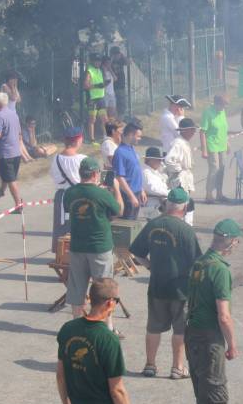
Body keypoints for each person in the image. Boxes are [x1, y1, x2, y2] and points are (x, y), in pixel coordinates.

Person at [185, 218, 242, 404]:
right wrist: (232, 344)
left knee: (203, 399)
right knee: (215, 400)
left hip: (192, 335)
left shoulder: (200, 263)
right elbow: (224, 315)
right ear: (230, 242)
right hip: (209, 340)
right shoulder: (220, 270)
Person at [130, 187, 202, 381]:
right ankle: (177, 368)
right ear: (185, 207)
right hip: (180, 289)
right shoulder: (186, 231)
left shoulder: (153, 224)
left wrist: (151, 266)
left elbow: (136, 252)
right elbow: (197, 263)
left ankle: (150, 365)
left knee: (153, 327)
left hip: (157, 286)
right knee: (180, 330)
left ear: (167, 204)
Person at [63, 157, 124, 334]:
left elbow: (70, 209)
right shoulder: (102, 194)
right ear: (96, 174)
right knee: (105, 289)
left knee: (77, 289)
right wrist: (117, 190)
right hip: (99, 247)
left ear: (81, 174)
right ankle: (107, 327)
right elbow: (119, 210)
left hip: (77, 246)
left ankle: (76, 326)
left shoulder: (70, 193)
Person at [50, 127, 87, 252]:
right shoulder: (82, 159)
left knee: (62, 226)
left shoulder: (56, 159)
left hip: (62, 196)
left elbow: (56, 178)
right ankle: (78, 253)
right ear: (77, 140)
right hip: (80, 195)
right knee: (80, 225)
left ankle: (61, 254)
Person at [164, 117, 198, 225]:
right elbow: (169, 160)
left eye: (194, 130)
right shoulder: (178, 143)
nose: (193, 132)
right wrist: (179, 171)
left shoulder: (184, 142)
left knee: (187, 204)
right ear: (184, 130)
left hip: (185, 178)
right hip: (179, 180)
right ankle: (182, 225)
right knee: (180, 204)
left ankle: (186, 224)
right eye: (191, 130)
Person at [200, 95, 232, 203]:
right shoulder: (207, 112)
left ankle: (219, 193)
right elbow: (202, 132)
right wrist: (204, 150)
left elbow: (224, 128)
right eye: (222, 105)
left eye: (225, 106)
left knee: (221, 170)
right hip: (212, 145)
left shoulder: (222, 112)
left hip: (222, 145)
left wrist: (227, 143)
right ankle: (209, 195)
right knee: (214, 169)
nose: (224, 108)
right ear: (216, 103)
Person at [111, 122, 146, 220]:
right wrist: (131, 196)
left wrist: (141, 189)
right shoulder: (120, 153)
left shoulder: (131, 149)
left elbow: (135, 171)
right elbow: (120, 177)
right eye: (138, 136)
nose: (140, 139)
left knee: (134, 222)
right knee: (128, 223)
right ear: (131, 135)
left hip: (137, 192)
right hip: (127, 195)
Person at [84, 56, 110, 142]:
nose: (98, 63)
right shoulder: (89, 71)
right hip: (93, 99)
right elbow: (86, 85)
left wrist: (104, 84)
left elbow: (100, 83)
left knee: (105, 119)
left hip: (101, 98)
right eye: (97, 61)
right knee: (92, 119)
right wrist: (97, 86)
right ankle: (91, 139)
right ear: (93, 61)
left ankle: (106, 137)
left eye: (99, 61)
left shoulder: (100, 70)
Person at [141, 147, 170, 220]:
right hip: (153, 206)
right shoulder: (146, 172)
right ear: (150, 160)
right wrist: (170, 193)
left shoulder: (154, 171)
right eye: (158, 160)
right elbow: (153, 189)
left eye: (160, 160)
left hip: (160, 203)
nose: (160, 162)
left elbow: (164, 180)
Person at [109, 47, 128, 118]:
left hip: (121, 85)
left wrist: (122, 55)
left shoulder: (121, 60)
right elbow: (108, 66)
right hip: (112, 87)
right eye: (115, 54)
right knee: (113, 106)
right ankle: (116, 119)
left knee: (121, 104)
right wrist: (111, 59)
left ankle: (120, 119)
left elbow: (128, 62)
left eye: (118, 54)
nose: (117, 56)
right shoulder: (109, 61)